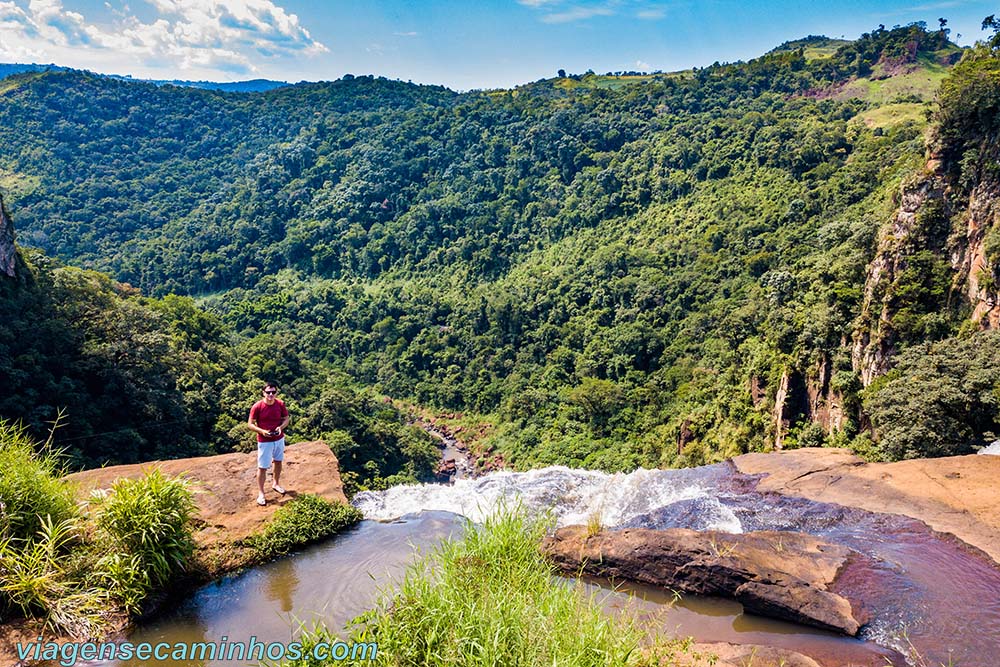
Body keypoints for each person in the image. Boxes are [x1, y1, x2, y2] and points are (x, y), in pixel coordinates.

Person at [247, 382, 290, 506]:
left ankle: (275, 483)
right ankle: (261, 493)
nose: (271, 394)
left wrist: (280, 428)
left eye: (273, 392)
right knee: (263, 467)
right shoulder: (257, 406)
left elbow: (286, 418)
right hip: (264, 441)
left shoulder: (280, 404)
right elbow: (250, 424)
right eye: (268, 392)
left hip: (278, 438)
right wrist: (262, 431)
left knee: (278, 461)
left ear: (276, 392)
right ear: (263, 393)